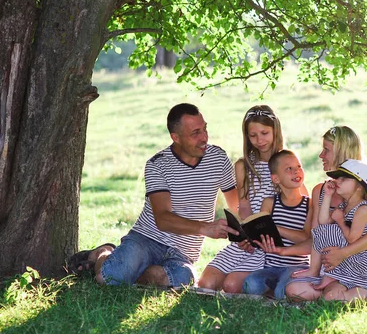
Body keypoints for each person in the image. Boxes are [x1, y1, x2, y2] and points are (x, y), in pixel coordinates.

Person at [66, 103, 239, 287]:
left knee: (183, 280)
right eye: (195, 133)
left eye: (205, 129)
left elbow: (237, 205)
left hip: (182, 253)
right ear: (176, 137)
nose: (204, 137)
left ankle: (133, 270)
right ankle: (104, 252)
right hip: (147, 240)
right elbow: (163, 219)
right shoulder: (158, 165)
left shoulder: (218, 158)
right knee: (108, 279)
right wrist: (205, 228)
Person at [261, 126, 367, 303]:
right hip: (328, 270)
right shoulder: (321, 190)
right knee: (294, 290)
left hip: (357, 267)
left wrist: (343, 253)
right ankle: (341, 297)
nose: (320, 155)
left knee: (325, 294)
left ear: (341, 153)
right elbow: (318, 237)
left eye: (326, 150)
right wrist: (285, 251)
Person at [197, 105, 284, 293]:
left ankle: (267, 284)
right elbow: (243, 205)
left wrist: (264, 237)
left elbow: (299, 201)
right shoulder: (243, 166)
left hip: (272, 243)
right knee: (206, 284)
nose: (259, 140)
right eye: (253, 135)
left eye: (264, 133)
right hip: (249, 239)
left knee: (231, 285)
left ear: (275, 130)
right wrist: (247, 232)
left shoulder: (287, 163)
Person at [292, 159, 367, 301]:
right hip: (346, 265)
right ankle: (333, 280)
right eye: (338, 178)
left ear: (359, 187)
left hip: (361, 266)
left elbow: (352, 238)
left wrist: (340, 220)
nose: (338, 181)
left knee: (330, 297)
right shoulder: (345, 206)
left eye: (344, 179)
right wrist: (327, 195)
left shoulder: (363, 209)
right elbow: (323, 222)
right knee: (318, 294)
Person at [242, 150, 313, 300]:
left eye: (299, 166)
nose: (296, 171)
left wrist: (276, 228)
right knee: (250, 284)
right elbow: (262, 233)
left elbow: (306, 237)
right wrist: (251, 241)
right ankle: (274, 293)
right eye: (289, 169)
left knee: (284, 290)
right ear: (276, 178)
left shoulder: (310, 204)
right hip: (271, 267)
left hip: (297, 267)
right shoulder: (269, 203)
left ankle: (276, 293)